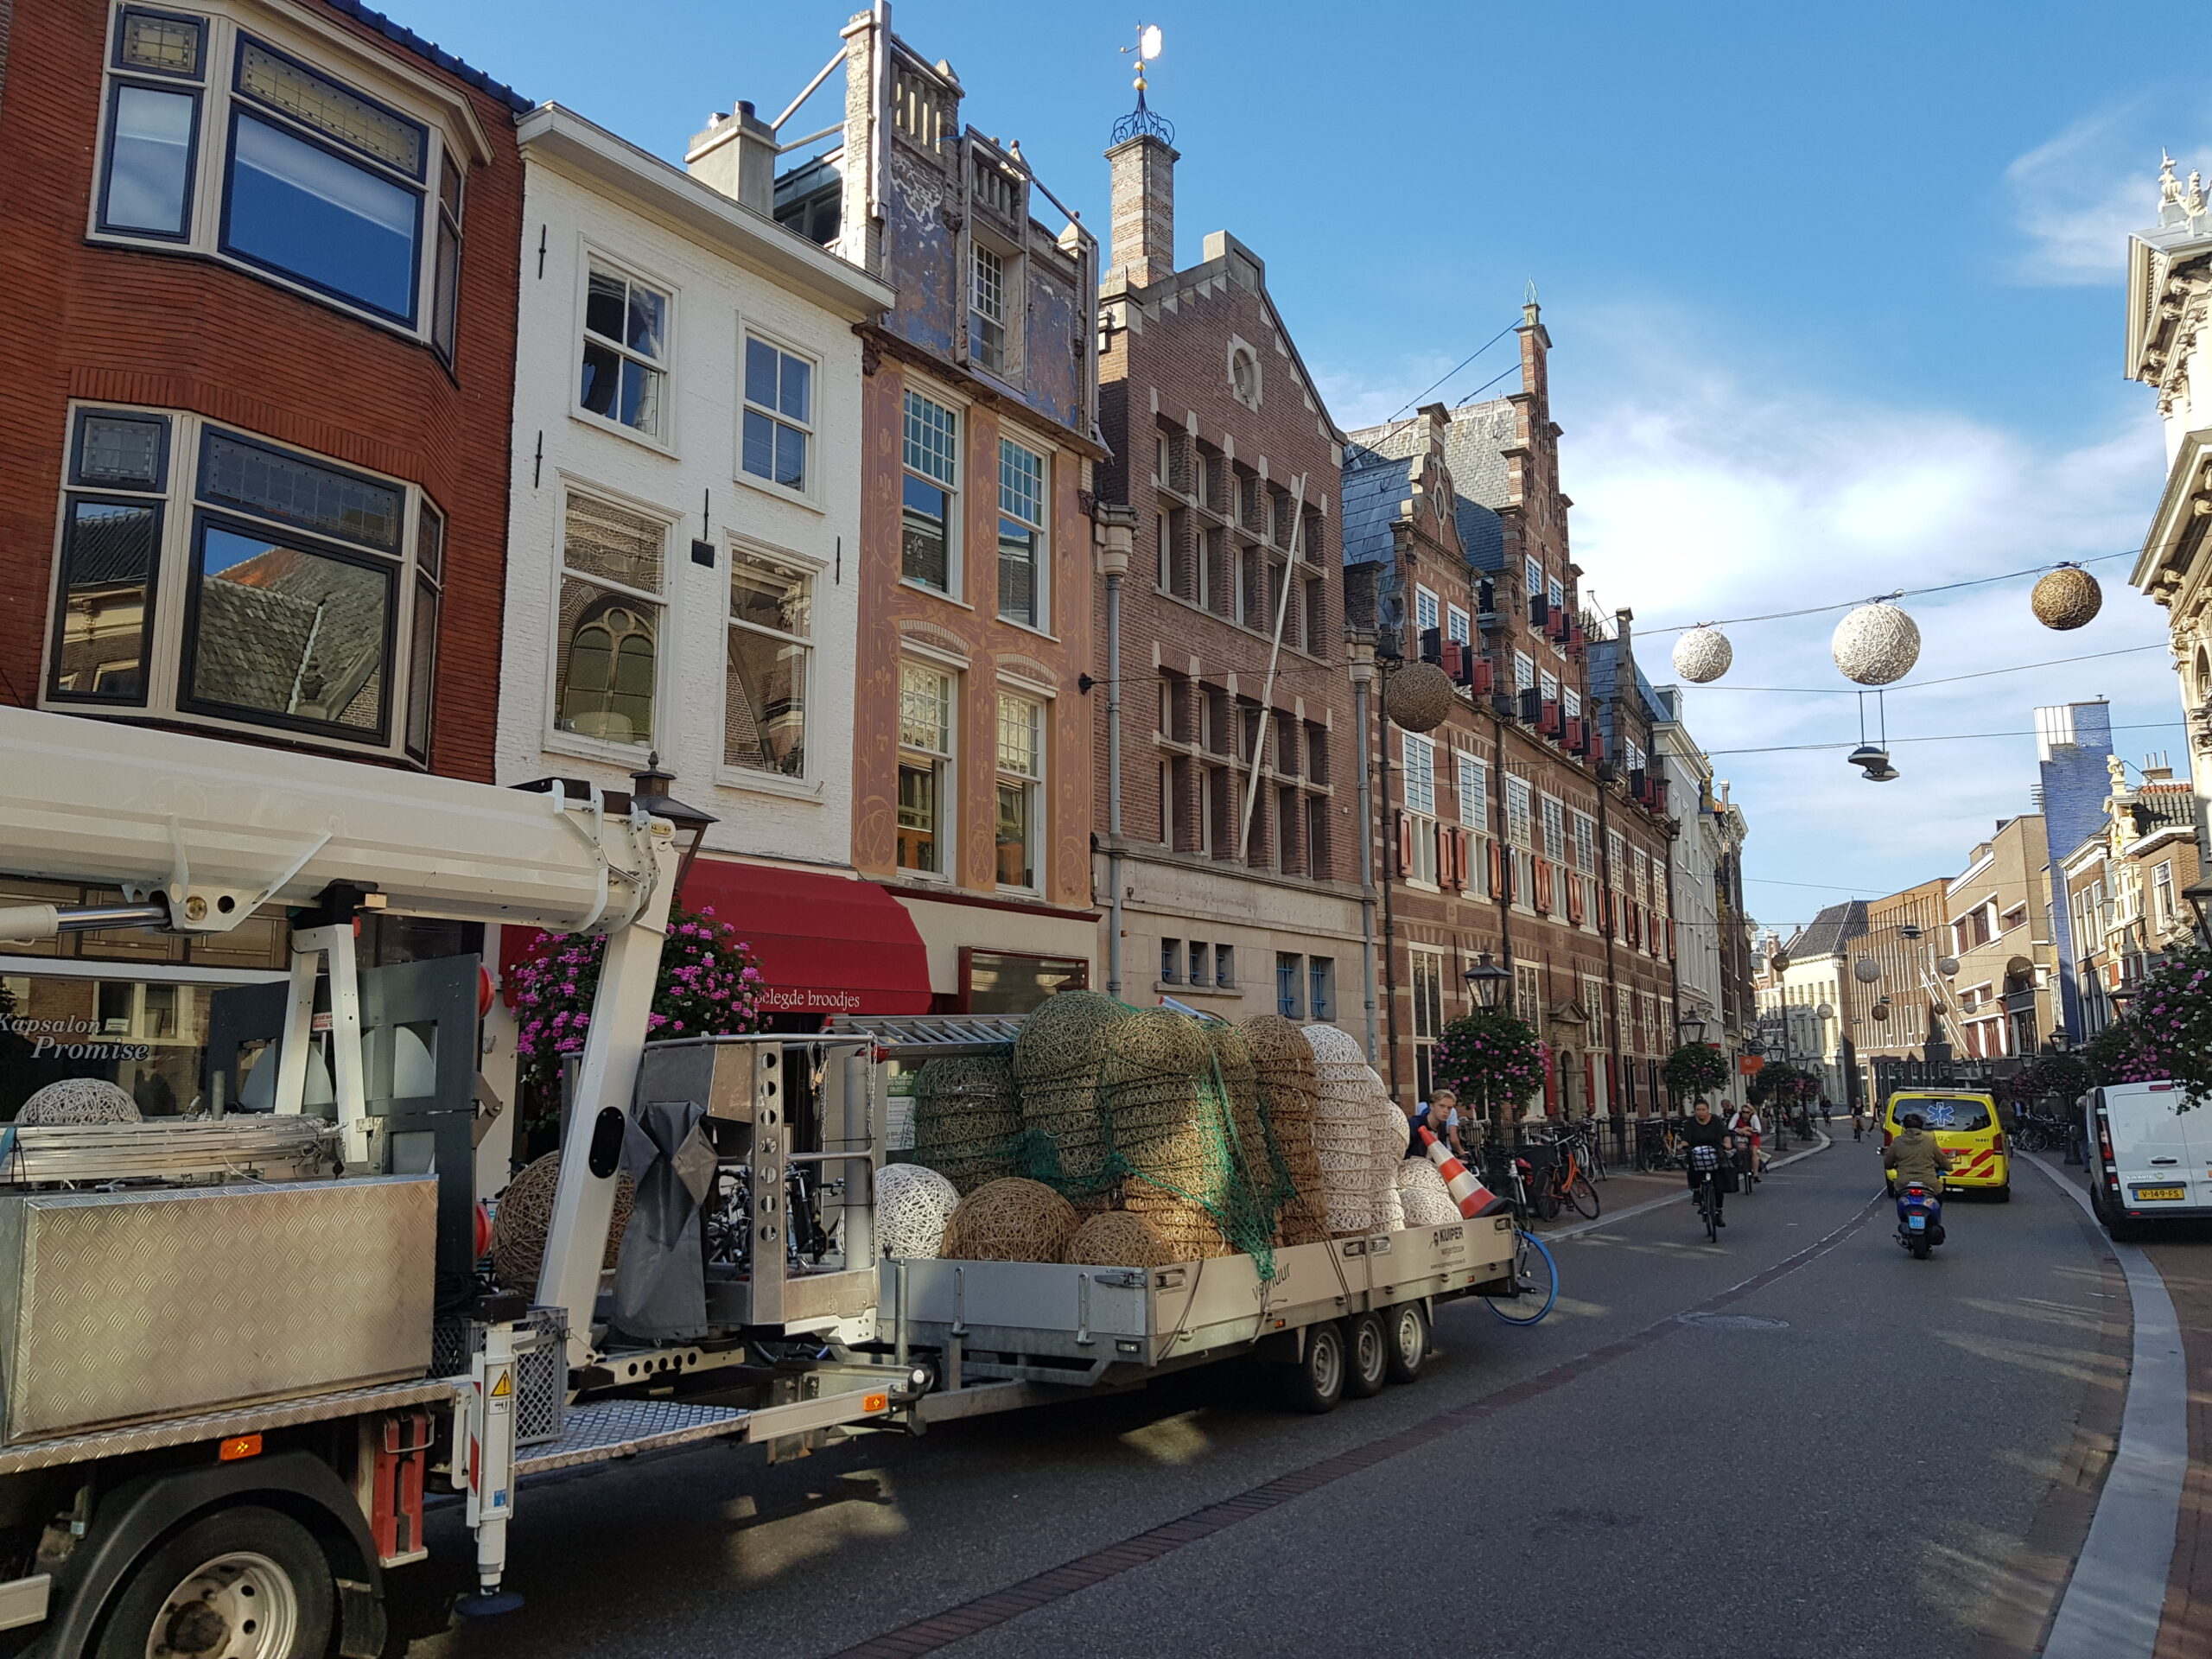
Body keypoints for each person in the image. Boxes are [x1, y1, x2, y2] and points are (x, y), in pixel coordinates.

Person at [1681, 1097, 1735, 1227]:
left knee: (1718, 1184)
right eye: (1698, 1110)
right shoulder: (1690, 1123)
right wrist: (1683, 1144)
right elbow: (1686, 1138)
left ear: (1708, 1110)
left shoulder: (1716, 1120)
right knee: (1693, 1168)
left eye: (1703, 1109)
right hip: (1697, 1152)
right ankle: (1696, 1191)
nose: (1700, 1112)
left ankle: (1718, 1211)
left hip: (1714, 1152)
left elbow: (1725, 1134)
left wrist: (1727, 1143)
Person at [1883, 1111, 1951, 1195]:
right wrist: (1948, 1167)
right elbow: (1943, 1160)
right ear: (1921, 1126)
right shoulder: (1929, 1142)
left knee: (1899, 1197)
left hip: (1903, 1183)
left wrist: (1893, 1165)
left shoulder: (1897, 1142)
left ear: (1904, 1126)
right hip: (1928, 1182)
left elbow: (1887, 1163)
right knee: (1939, 1193)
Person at [1726, 1101, 1763, 1176]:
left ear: (1751, 1112)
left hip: (1752, 1136)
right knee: (1736, 1150)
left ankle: (1755, 1174)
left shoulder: (1754, 1117)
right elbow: (1730, 1127)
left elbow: (1758, 1130)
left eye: (1747, 1112)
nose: (1745, 1114)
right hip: (1739, 1136)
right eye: (1743, 1112)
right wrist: (1741, 1131)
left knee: (1754, 1152)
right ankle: (1739, 1165)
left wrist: (1748, 1128)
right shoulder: (1737, 1116)